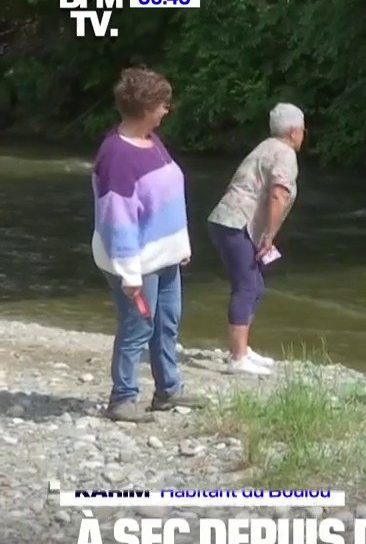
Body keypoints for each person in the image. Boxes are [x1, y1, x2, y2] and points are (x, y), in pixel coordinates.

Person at [91, 67, 207, 423]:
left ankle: (168, 390)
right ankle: (122, 399)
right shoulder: (117, 155)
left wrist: (180, 246)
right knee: (138, 327)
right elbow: (117, 219)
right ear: (145, 108)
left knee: (167, 323)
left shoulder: (151, 141)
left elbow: (165, 198)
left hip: (164, 255)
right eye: (162, 105)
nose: (167, 110)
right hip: (137, 262)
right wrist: (130, 273)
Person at [206, 103, 305, 375]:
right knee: (247, 286)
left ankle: (243, 348)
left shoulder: (265, 146)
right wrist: (269, 237)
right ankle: (238, 357)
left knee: (256, 286)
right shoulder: (285, 153)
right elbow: (278, 195)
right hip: (236, 223)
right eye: (302, 130)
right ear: (294, 132)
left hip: (227, 221)